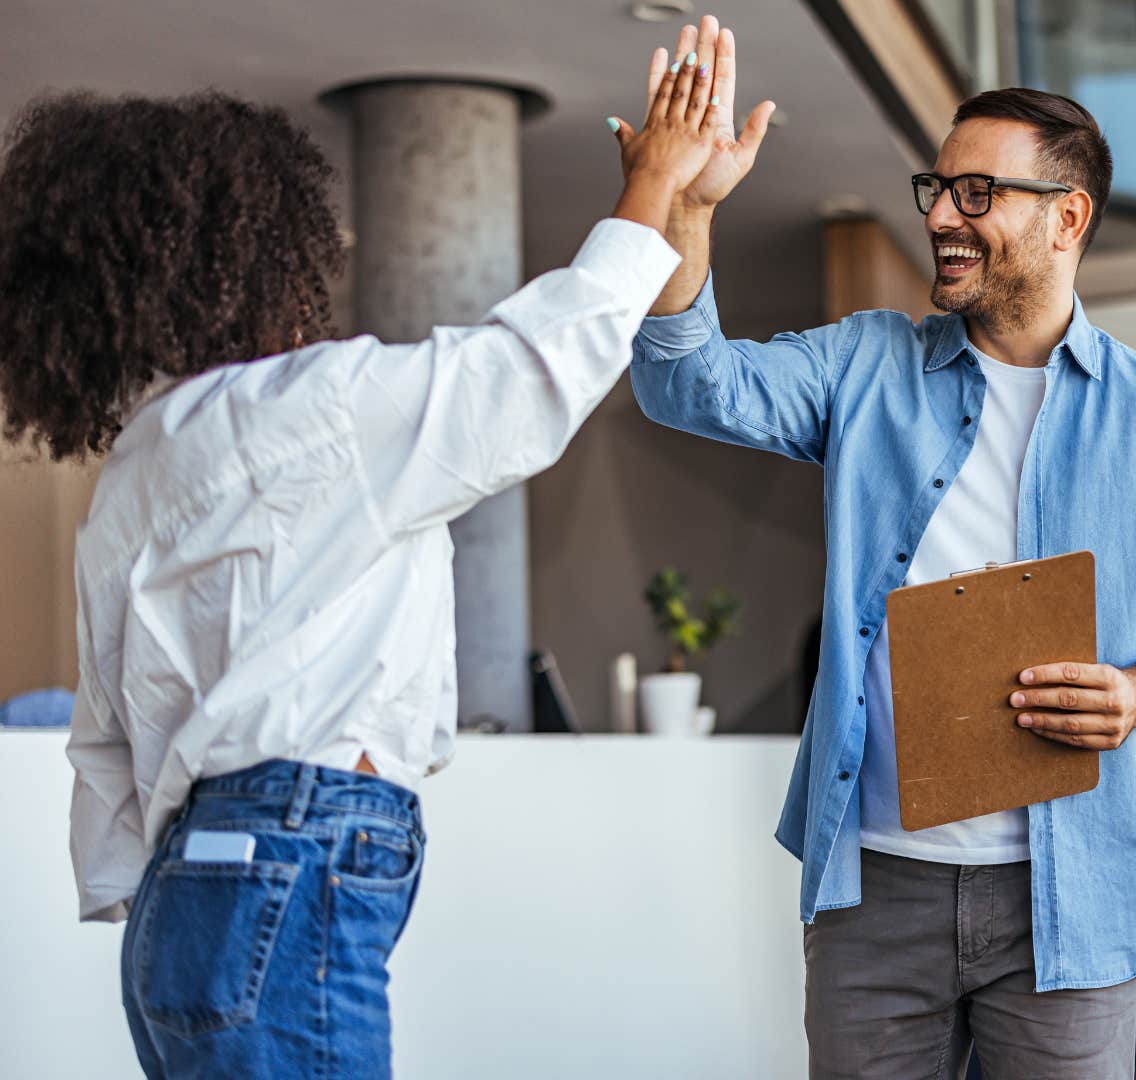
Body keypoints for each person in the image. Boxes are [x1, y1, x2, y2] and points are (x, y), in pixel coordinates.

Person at [0, 25, 756, 1075]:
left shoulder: (135, 469)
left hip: (181, 900)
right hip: (290, 851)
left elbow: (103, 743)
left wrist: (169, 894)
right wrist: (654, 186)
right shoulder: (309, 408)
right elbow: (523, 379)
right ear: (255, 261)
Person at [629, 61, 1136, 1078]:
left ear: (1068, 217)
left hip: (1073, 897)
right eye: (937, 189)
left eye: (977, 192)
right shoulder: (864, 364)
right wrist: (688, 208)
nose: (942, 214)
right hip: (876, 893)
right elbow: (686, 383)